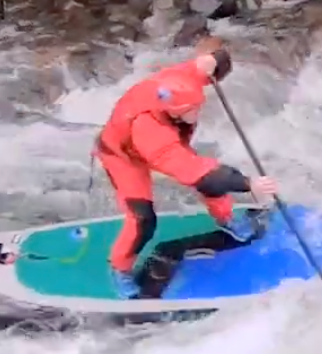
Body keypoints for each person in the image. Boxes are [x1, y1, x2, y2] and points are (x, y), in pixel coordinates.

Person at [95, 36, 278, 299]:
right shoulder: (154, 134)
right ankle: (120, 268)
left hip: (164, 139)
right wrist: (249, 184)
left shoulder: (178, 83)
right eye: (192, 110)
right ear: (174, 111)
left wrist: (214, 60)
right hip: (124, 156)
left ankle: (226, 220)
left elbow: (210, 63)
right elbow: (198, 173)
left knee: (206, 179)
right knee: (143, 218)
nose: (197, 112)